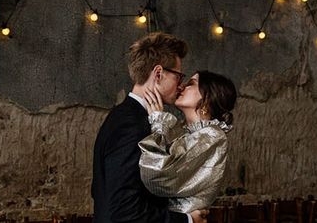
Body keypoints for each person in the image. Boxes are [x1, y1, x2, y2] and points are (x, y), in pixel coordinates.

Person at [92, 33, 207, 223]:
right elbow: (123, 211)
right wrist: (187, 220)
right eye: (178, 77)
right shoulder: (133, 125)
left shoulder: (123, 116)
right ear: (159, 74)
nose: (181, 85)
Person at [138, 71, 238, 213]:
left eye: (191, 84)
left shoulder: (213, 136)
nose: (182, 86)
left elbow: (156, 174)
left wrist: (159, 123)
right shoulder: (183, 131)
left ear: (207, 98)